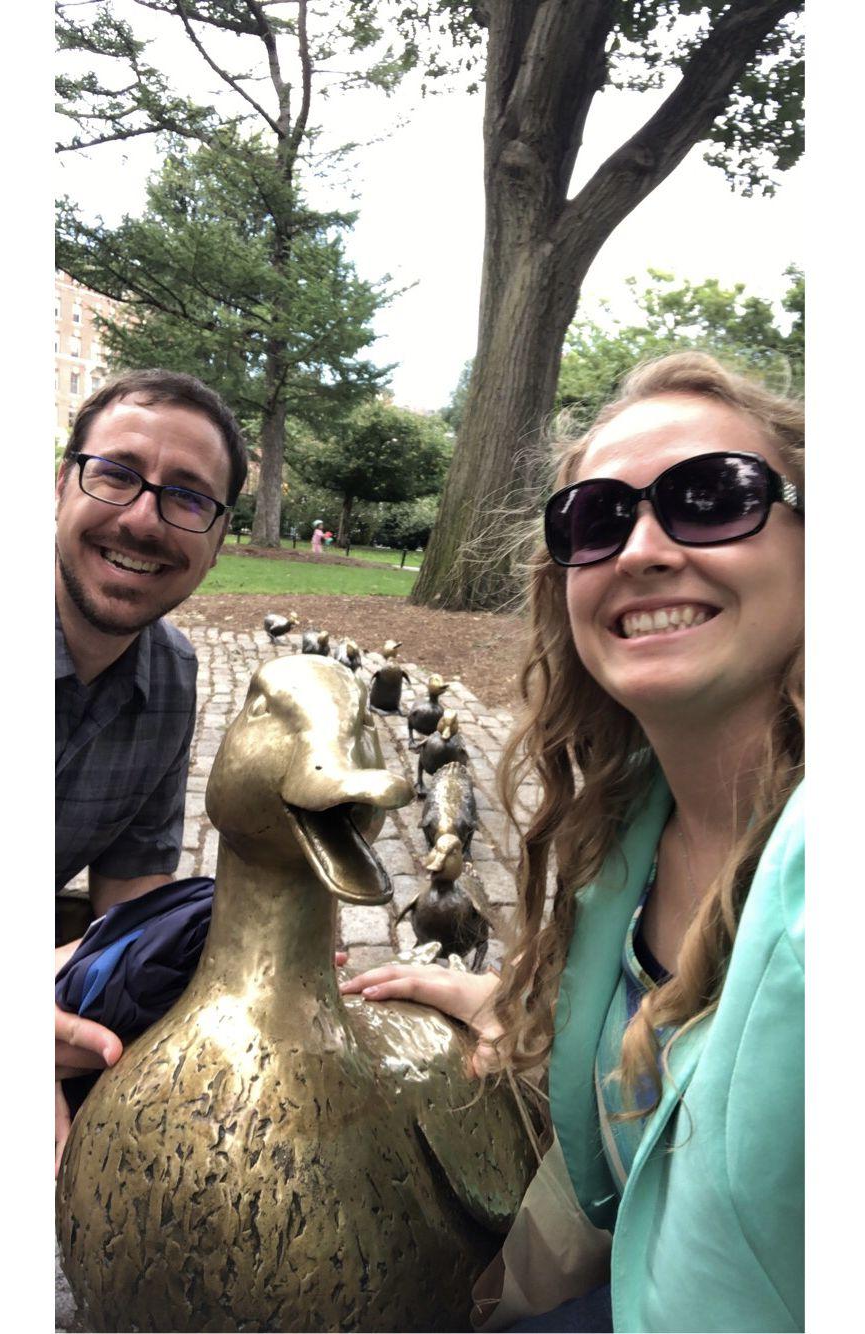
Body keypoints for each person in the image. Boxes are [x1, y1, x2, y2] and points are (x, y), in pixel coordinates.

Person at [342, 351, 804, 1332]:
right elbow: (668, 1062)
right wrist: (542, 1031)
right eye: (596, 518)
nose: (640, 548)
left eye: (711, 497)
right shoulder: (625, 824)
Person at [54, 368, 248, 1171]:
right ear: (60, 483)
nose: (143, 518)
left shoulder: (170, 677)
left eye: (188, 497)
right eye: (116, 474)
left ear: (215, 539)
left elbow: (125, 918)